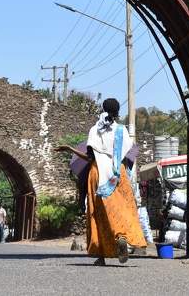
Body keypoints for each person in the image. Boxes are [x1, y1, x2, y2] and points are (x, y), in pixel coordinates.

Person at [55, 98, 146, 265]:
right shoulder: (122, 130)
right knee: (122, 208)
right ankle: (121, 235)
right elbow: (131, 153)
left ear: (103, 109)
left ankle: (101, 254)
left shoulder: (94, 130)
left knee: (98, 213)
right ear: (118, 112)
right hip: (118, 173)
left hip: (97, 172)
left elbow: (89, 157)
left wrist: (70, 148)